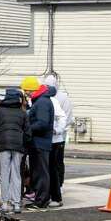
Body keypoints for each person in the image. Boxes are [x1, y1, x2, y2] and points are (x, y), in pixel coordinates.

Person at [0, 87, 30, 221]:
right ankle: (17, 203)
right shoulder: (22, 113)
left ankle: (6, 202)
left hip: (3, 144)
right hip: (18, 145)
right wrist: (24, 145)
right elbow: (27, 132)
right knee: (16, 174)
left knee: (5, 173)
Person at [24, 76, 55, 210]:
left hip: (40, 143)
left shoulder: (41, 102)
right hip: (40, 142)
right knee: (39, 172)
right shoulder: (42, 100)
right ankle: (41, 199)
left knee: (41, 172)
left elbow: (42, 123)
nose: (26, 94)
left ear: (31, 90)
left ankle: (41, 201)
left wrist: (28, 129)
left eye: (26, 91)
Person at [44, 74, 71, 208]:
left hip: (57, 138)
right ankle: (52, 190)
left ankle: (58, 187)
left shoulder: (60, 99)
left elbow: (65, 117)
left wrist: (59, 130)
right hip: (51, 137)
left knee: (55, 165)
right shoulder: (49, 99)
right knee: (51, 166)